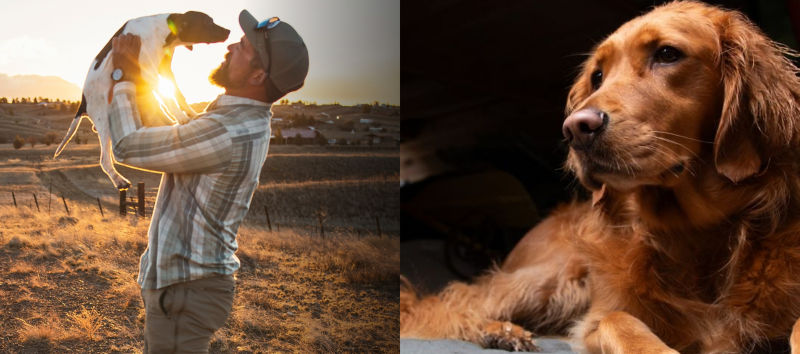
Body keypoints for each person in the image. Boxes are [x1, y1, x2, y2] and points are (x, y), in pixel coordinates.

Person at [108, 10, 308, 353]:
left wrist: (123, 73)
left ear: (258, 74)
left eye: (244, 47)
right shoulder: (235, 120)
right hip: (188, 289)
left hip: (186, 290)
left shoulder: (227, 131)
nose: (230, 46)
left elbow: (127, 144)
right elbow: (170, 134)